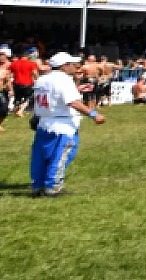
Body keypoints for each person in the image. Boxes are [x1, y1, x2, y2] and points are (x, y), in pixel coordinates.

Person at [30, 52, 106, 196]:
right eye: (72, 64)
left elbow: (52, 97)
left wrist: (77, 90)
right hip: (62, 124)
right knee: (60, 156)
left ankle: (37, 186)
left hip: (44, 122)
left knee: (41, 157)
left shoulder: (42, 79)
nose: (75, 66)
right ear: (64, 67)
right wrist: (94, 114)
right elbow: (72, 102)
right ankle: (53, 187)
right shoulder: (64, 80)